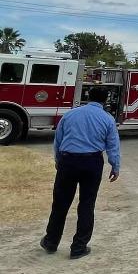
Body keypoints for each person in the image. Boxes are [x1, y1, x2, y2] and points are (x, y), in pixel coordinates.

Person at [40, 86, 120, 259]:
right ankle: (79, 247)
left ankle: (51, 241)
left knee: (60, 203)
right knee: (87, 204)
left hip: (68, 161)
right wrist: (115, 166)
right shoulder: (107, 119)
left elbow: (58, 140)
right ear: (105, 100)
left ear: (88, 97)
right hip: (92, 162)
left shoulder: (69, 115)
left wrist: (58, 161)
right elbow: (113, 145)